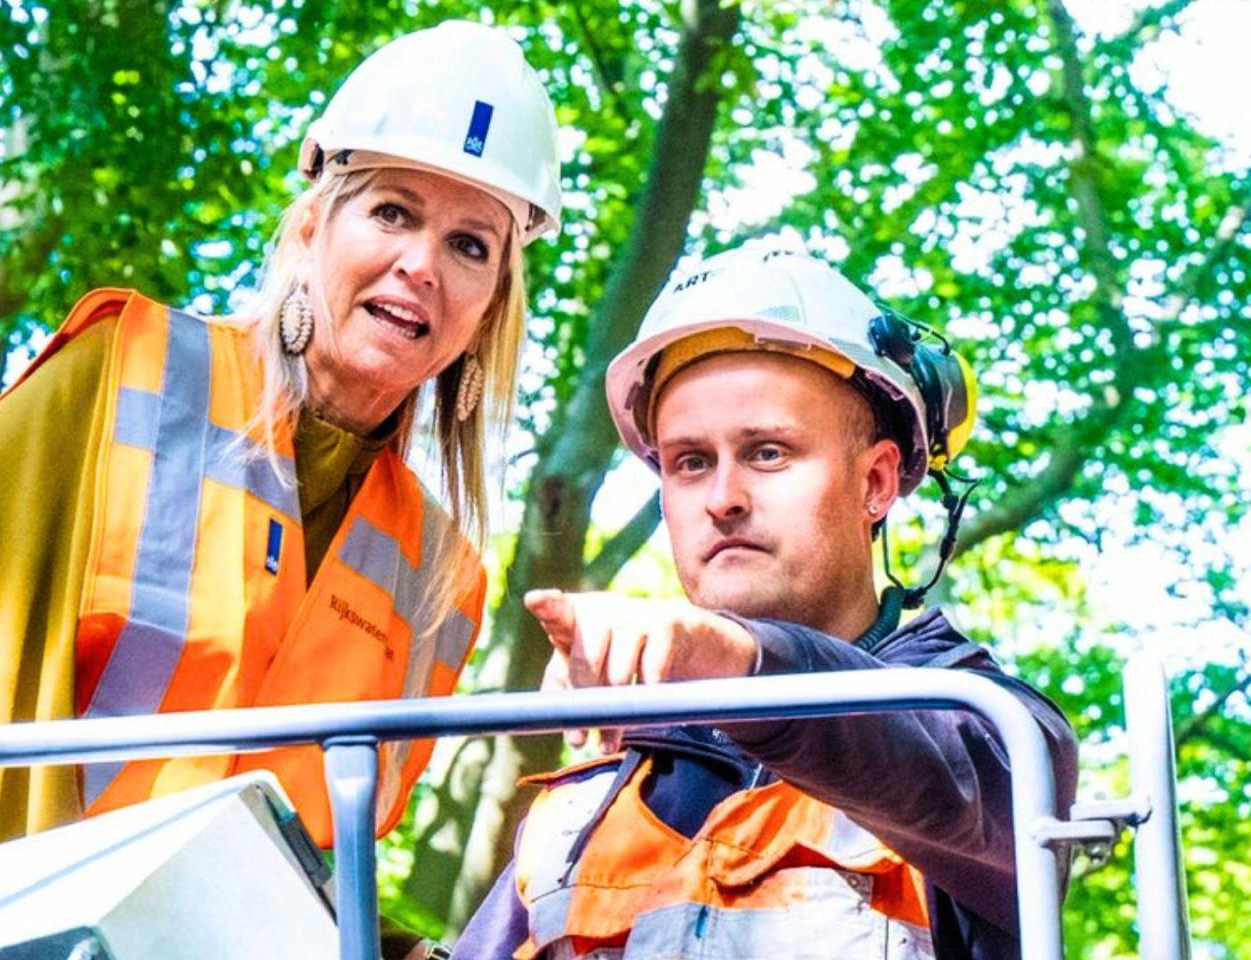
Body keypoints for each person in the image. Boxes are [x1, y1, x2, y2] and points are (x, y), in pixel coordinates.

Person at [0, 19, 562, 908]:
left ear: (490, 306)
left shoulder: (441, 578)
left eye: (470, 245)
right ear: (314, 222)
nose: (420, 265)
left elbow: (311, 869)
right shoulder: (122, 377)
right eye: (392, 212)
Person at [452, 246, 1079, 959]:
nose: (723, 499)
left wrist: (730, 659)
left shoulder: (985, 731)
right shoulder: (590, 795)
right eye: (691, 462)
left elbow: (963, 787)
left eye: (768, 453)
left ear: (876, 483)